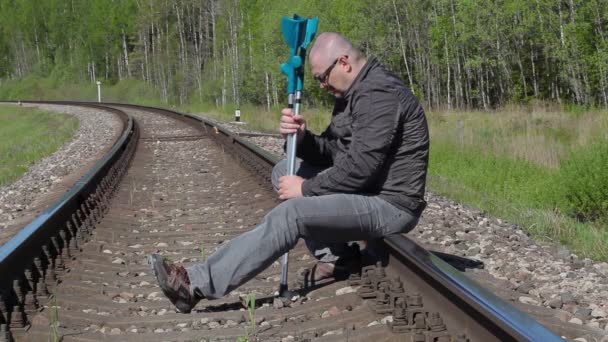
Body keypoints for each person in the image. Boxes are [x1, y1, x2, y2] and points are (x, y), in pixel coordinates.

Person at [148, 32, 429, 314]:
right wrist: (303, 137)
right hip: (367, 189)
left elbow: (360, 168)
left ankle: (195, 285)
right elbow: (334, 152)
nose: (321, 86)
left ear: (343, 62)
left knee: (291, 213)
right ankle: (338, 258)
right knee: (284, 171)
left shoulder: (378, 95)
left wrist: (305, 189)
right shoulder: (354, 91)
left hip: (390, 203)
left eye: (322, 77)